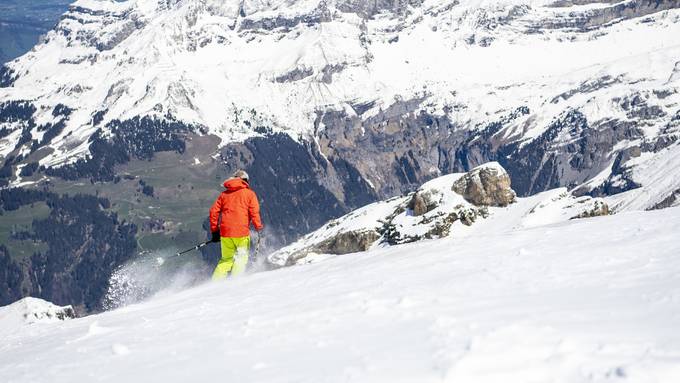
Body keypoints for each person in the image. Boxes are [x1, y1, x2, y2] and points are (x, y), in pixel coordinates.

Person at [209, 169, 263, 279]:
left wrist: (215, 231)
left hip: (225, 234)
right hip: (241, 233)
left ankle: (214, 284)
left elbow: (213, 212)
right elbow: (254, 212)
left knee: (226, 260)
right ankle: (235, 283)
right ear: (245, 181)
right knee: (241, 258)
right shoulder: (250, 194)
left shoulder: (224, 195)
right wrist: (258, 227)